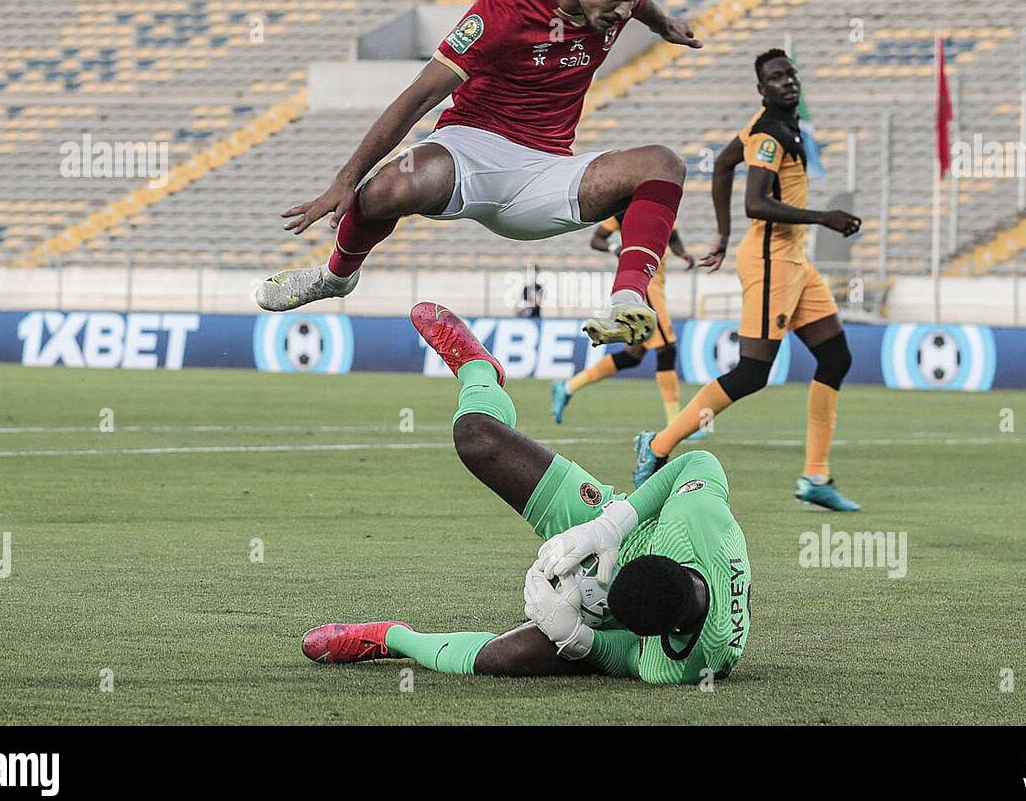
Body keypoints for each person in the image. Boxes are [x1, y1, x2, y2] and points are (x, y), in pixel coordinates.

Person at [257, 0, 701, 347]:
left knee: (663, 163)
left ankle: (625, 302)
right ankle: (334, 278)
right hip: (472, 146)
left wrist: (665, 26)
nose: (624, 9)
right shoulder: (507, 7)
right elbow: (417, 98)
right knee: (387, 189)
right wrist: (344, 180)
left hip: (547, 171)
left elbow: (639, 5)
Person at [302, 302, 751, 683]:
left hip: (627, 621)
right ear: (667, 558)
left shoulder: (687, 664)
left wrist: (583, 640)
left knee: (505, 659)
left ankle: (390, 638)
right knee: (476, 438)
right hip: (623, 531)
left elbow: (629, 657)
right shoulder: (696, 525)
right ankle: (481, 371)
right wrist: (611, 526)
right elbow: (698, 463)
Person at [632, 48, 862, 511]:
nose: (787, 82)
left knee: (835, 358)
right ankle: (657, 445)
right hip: (771, 261)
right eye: (776, 78)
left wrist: (720, 233)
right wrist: (824, 217)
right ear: (762, 89)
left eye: (790, 74)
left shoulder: (775, 125)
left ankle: (815, 476)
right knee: (752, 372)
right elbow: (755, 202)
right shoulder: (768, 135)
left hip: (794, 262)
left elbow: (720, 164)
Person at [552, 216, 702, 430]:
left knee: (633, 355)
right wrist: (615, 247)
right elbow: (597, 239)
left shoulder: (665, 208)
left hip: (657, 285)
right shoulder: (627, 210)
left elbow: (673, 236)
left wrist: (682, 253)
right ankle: (674, 423)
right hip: (645, 287)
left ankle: (567, 387)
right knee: (666, 350)